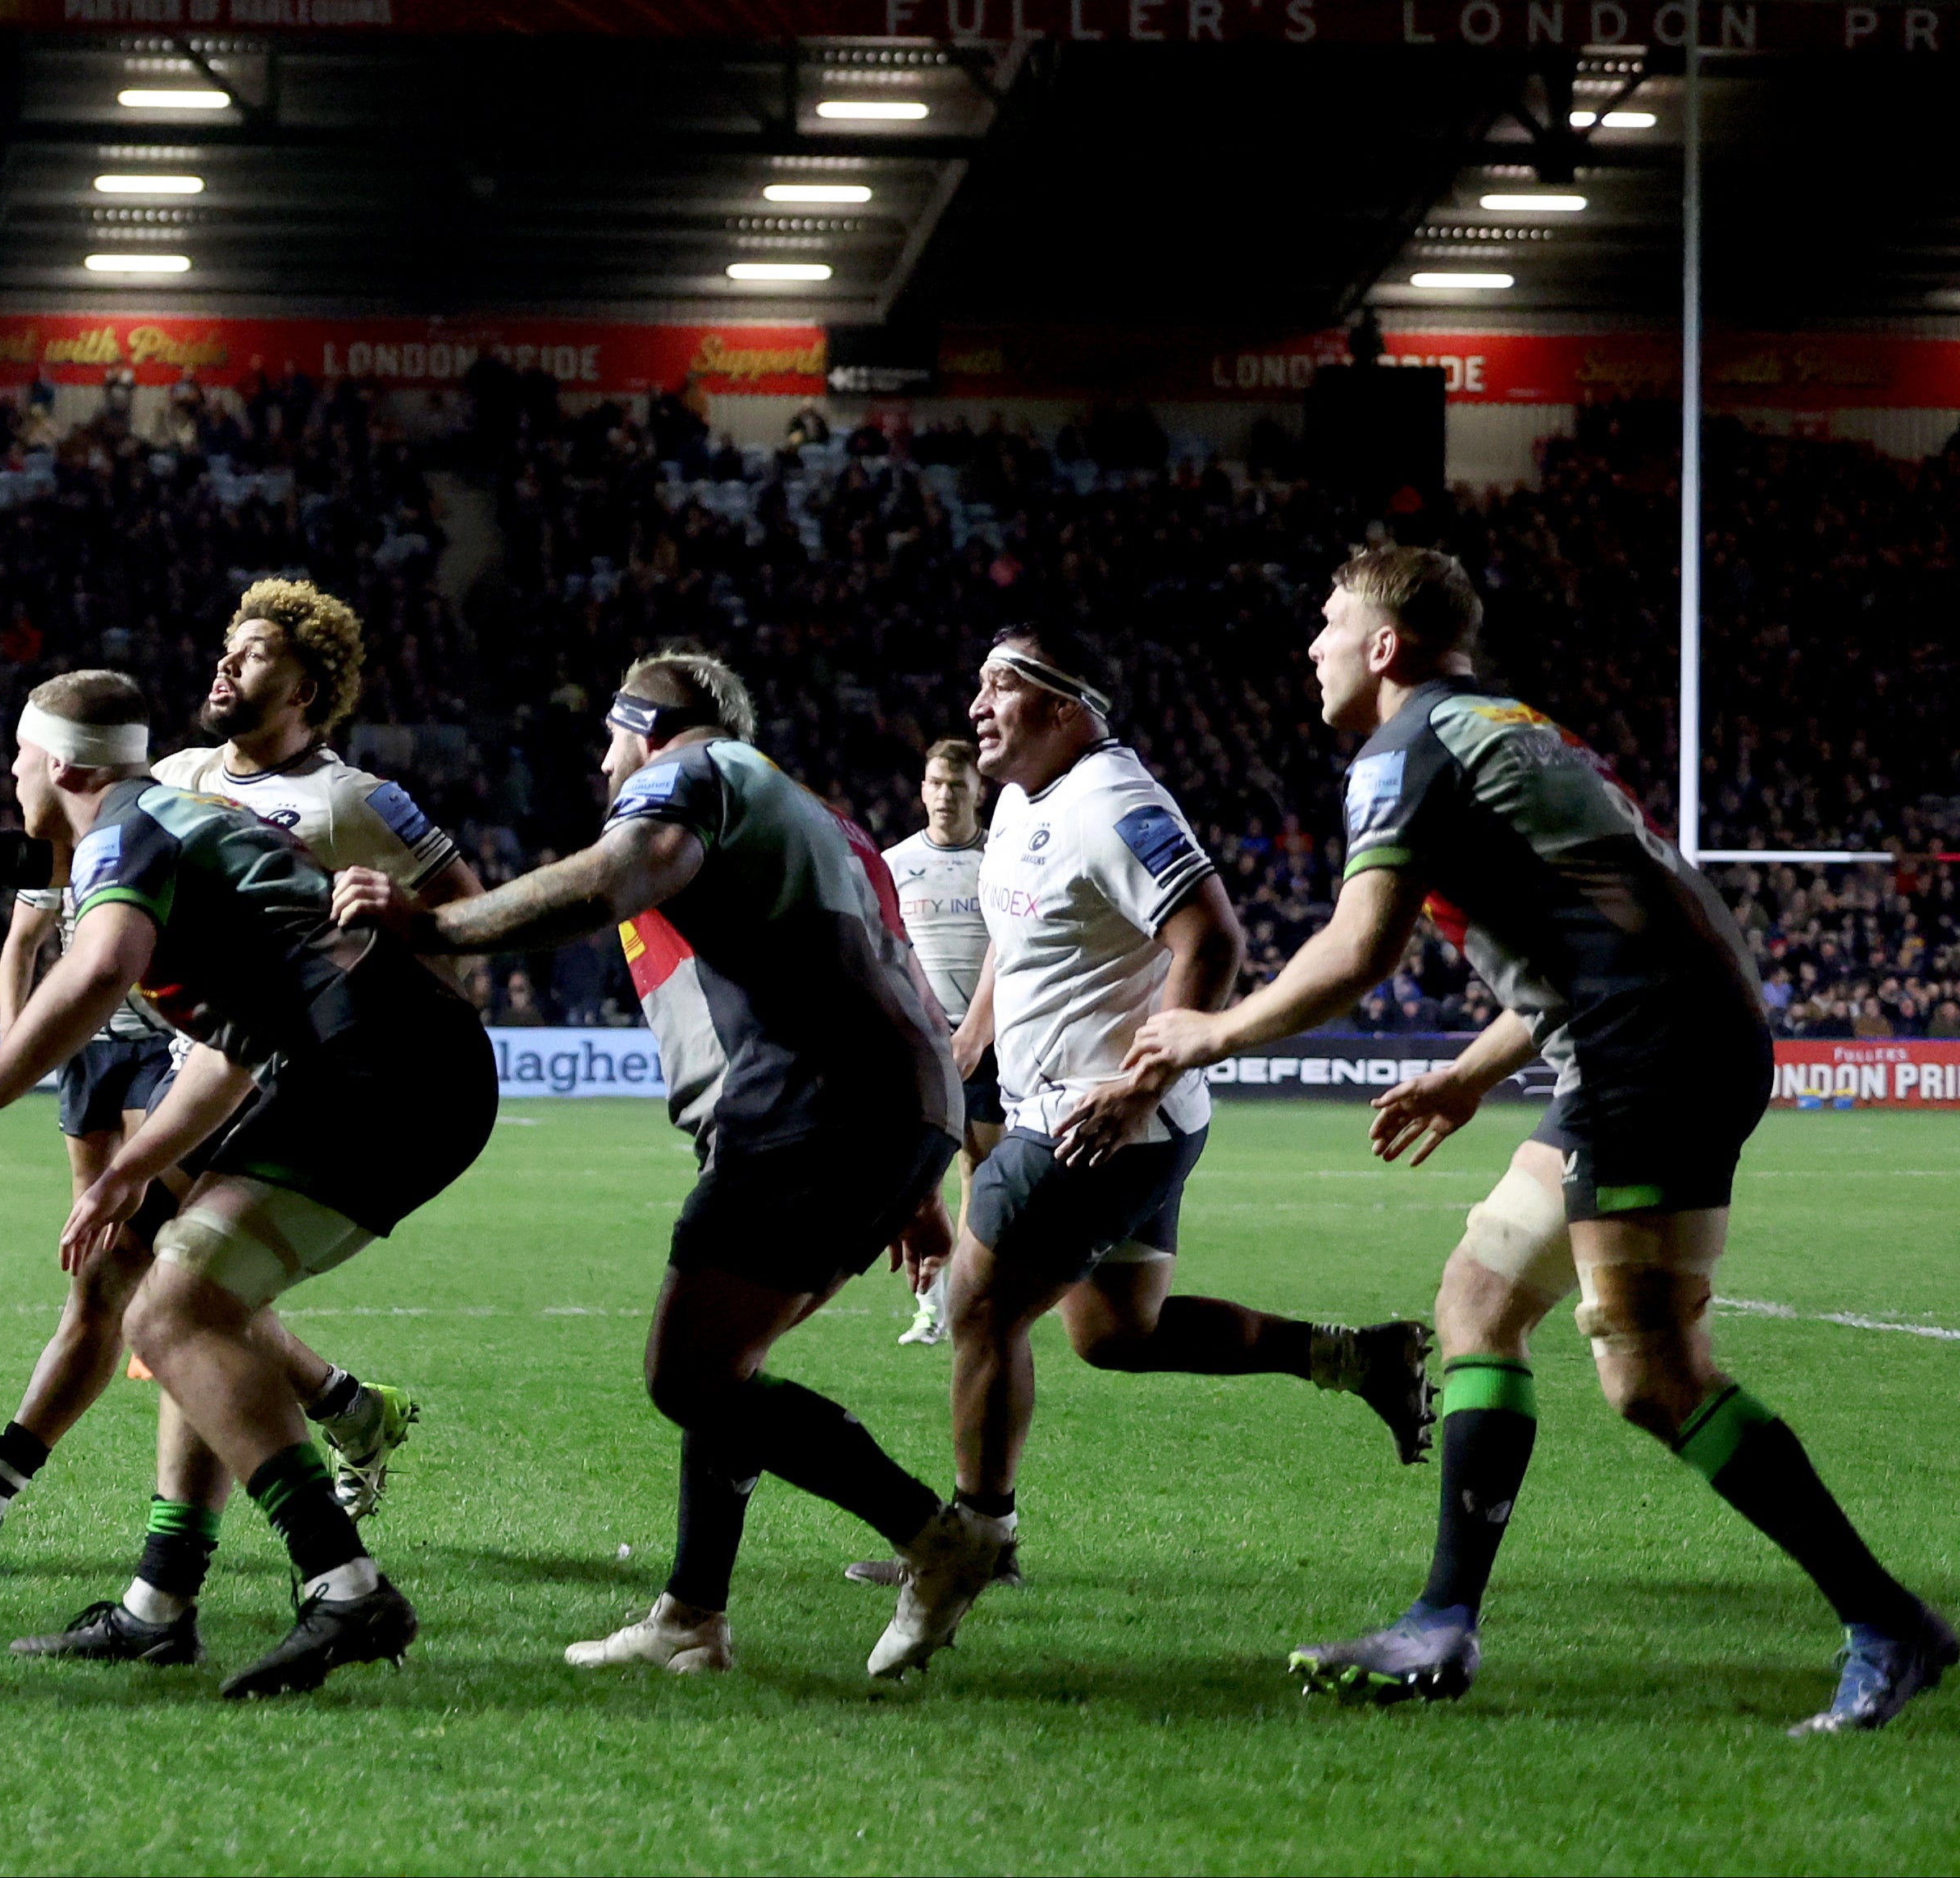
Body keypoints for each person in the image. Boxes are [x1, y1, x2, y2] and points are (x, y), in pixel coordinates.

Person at [1092, 546, 1951, 1733]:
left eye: (1326, 624)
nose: (1310, 647)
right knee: (1478, 1300)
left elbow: (1356, 951)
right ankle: (1440, 1624)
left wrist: (1204, 1032)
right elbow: (1596, 924)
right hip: (1653, 1033)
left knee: (1650, 1375)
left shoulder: (1403, 751)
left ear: (1382, 646)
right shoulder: (1501, 726)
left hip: (1643, 1053)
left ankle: (1884, 1621)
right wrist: (1462, 1070)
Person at [0, 668, 501, 1702]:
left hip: (380, 1066)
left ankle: (342, 1582)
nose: (12, 771)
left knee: (170, 1304)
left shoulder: (128, 826)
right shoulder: (176, 819)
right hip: (389, 1061)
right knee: (194, 1299)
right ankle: (162, 1605)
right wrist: (125, 1166)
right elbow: (228, 1053)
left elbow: (101, 964)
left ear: (64, 763)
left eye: (19, 754)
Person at [348, 649, 960, 1684]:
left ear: (648, 722)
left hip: (810, 1108)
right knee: (725, 1374)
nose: (603, 762)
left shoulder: (690, 772)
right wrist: (917, 1175)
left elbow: (619, 870)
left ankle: (934, 1536)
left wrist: (436, 926)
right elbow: (881, 970)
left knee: (687, 1373)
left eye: (611, 736)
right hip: (879, 1109)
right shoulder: (821, 817)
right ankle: (690, 1613)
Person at [869, 631, 1431, 1676]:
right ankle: (1359, 1356)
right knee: (1114, 1334)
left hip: (1095, 1123)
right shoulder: (1021, 802)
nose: (979, 702)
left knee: (979, 1309)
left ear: (1068, 707)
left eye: (1004, 685)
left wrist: (1133, 1088)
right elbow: (1008, 927)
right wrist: (971, 1034)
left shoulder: (1109, 800)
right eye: (979, 680)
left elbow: (1210, 936)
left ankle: (971, 1537)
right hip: (1122, 1121)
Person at [881, 738, 996, 1348]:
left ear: (978, 789)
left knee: (981, 1167)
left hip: (995, 1036)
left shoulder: (1001, 858)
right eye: (935, 783)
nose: (945, 795)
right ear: (921, 789)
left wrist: (979, 1029)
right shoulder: (895, 863)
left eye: (957, 784)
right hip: (921, 1039)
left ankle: (971, 1297)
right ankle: (928, 1307)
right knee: (916, 1176)